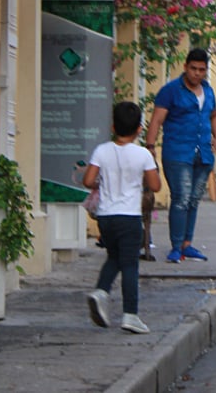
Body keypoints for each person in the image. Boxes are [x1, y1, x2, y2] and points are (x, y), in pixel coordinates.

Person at [84, 102, 162, 334]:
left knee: (115, 257)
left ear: (112, 126)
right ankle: (130, 314)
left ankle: (101, 291)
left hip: (106, 217)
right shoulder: (142, 154)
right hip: (129, 217)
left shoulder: (101, 150)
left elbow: (88, 181)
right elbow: (155, 185)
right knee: (130, 264)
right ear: (139, 129)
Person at [144, 48, 216, 264]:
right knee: (180, 199)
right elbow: (157, 120)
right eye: (194, 69)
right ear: (185, 67)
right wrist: (150, 146)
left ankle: (188, 244)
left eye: (202, 70)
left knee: (194, 200)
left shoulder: (208, 91)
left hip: (203, 154)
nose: (197, 73)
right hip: (178, 152)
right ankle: (176, 246)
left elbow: (214, 115)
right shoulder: (170, 91)